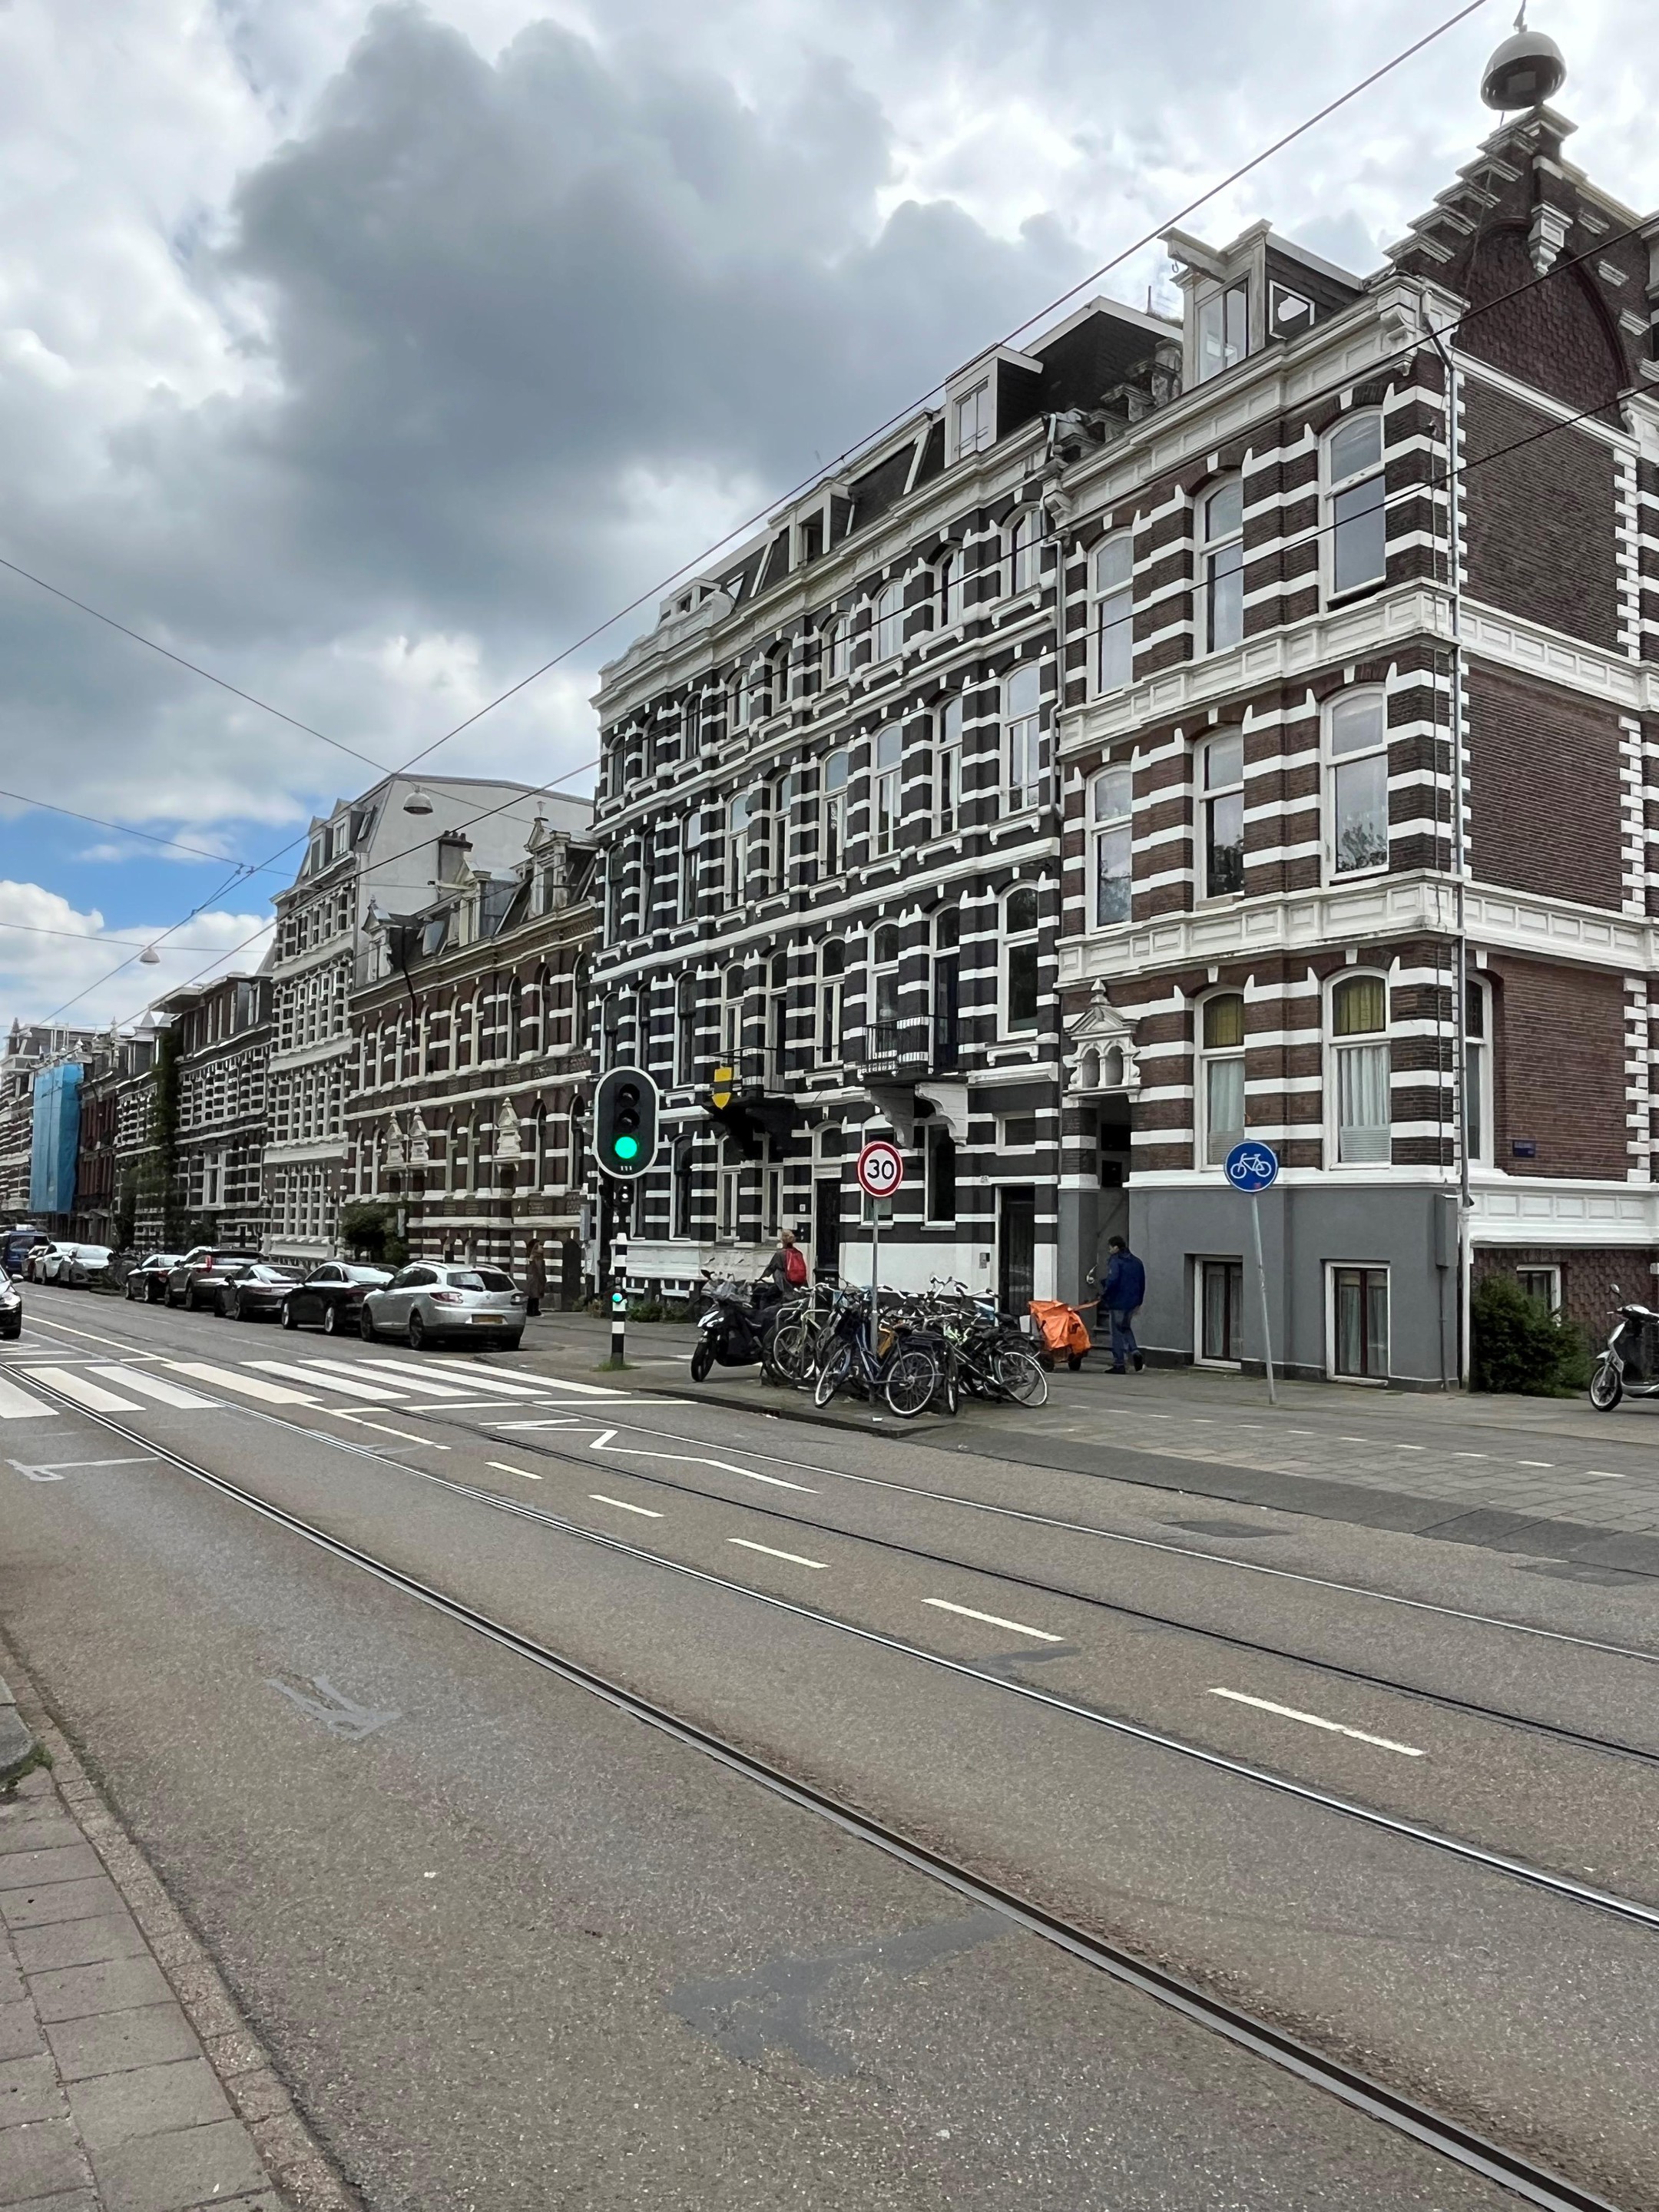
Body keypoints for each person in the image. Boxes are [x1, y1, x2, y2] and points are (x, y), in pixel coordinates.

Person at [1099, 1235, 1145, 1374]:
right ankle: (1135, 1351)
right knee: (1125, 1327)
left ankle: (1119, 1364)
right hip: (1132, 1303)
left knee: (1117, 1333)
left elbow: (1113, 1280)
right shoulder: (1137, 1262)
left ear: (1116, 1248)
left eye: (1110, 1248)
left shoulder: (1116, 1261)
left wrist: (1104, 1294)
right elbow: (1142, 1282)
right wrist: (1139, 1301)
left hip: (1117, 1302)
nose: (1109, 1251)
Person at [758, 1227, 809, 1302]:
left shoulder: (780, 1254)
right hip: (799, 1287)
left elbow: (770, 1269)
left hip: (785, 1287)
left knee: (764, 1298)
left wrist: (759, 1279)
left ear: (783, 1240)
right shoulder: (798, 1253)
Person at [524, 1240, 546, 1319]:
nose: (542, 1247)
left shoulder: (538, 1257)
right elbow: (538, 1270)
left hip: (536, 1279)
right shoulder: (536, 1257)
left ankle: (532, 1311)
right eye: (540, 1246)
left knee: (534, 1295)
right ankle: (534, 1311)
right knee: (534, 1295)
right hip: (535, 1280)